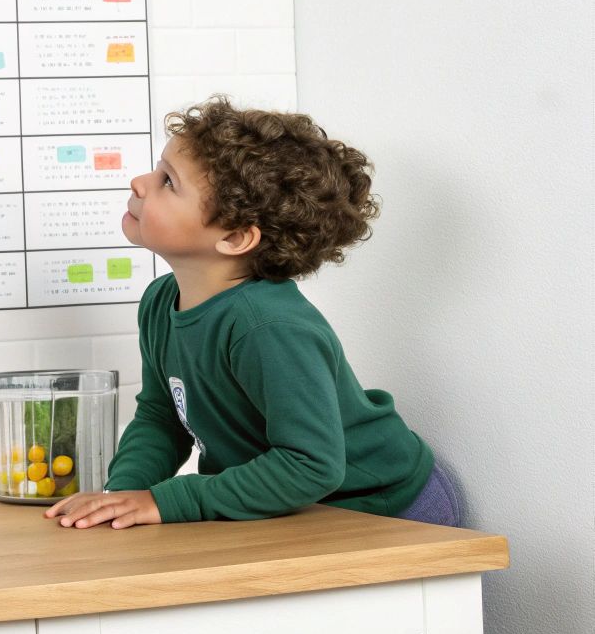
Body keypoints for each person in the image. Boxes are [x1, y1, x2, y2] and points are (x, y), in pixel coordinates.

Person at [45, 97, 461, 530]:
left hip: (386, 507)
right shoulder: (160, 302)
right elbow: (161, 417)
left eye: (168, 181)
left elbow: (310, 465)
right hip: (303, 506)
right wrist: (120, 496)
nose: (140, 182)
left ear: (236, 237)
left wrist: (166, 501)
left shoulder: (267, 327)